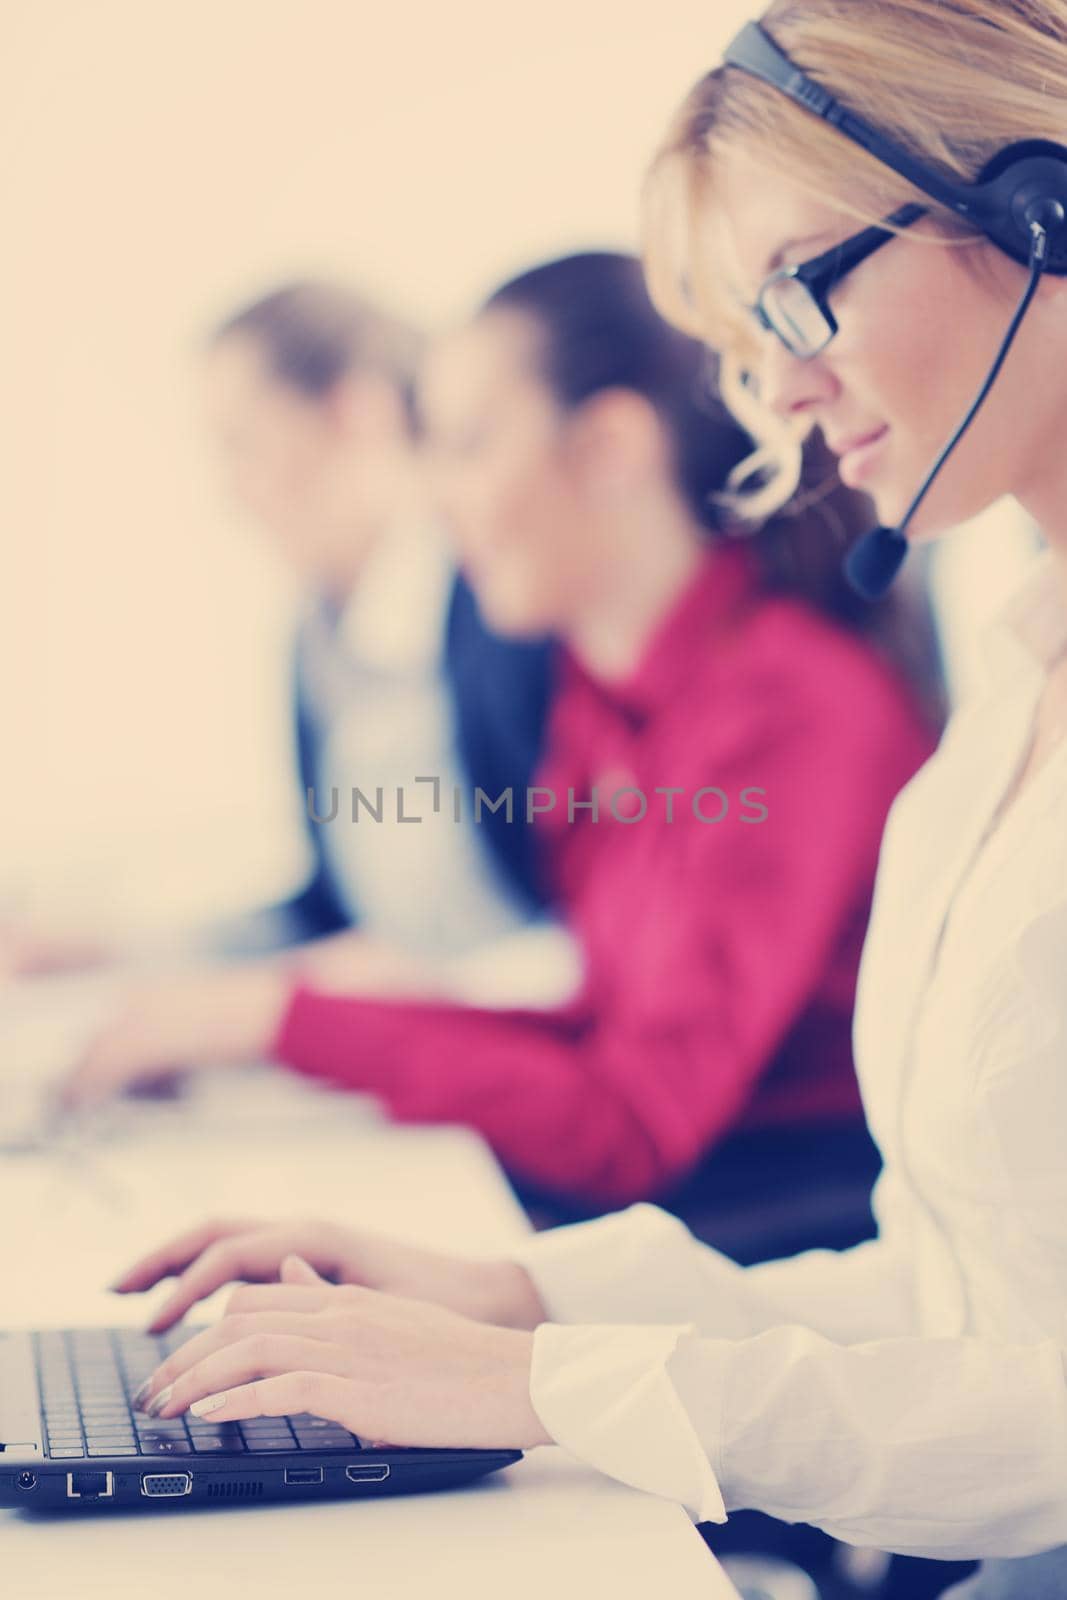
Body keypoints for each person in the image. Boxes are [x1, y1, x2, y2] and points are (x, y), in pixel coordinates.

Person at [106, 5, 1067, 1594]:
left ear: (1039, 213)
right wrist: (517, 1304)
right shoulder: (1005, 714)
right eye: (745, 333)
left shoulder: (819, 709)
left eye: (795, 291)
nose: (778, 390)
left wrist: (544, 1385)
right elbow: (967, 1295)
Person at [65, 253, 935, 1239]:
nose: (437, 502)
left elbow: (631, 1124)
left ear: (608, 445)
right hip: (688, 1209)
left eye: (469, 445)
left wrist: (282, 1019)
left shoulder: (791, 704)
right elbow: (597, 1030)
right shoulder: (605, 697)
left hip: (782, 1235)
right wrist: (271, 1019)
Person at [2, 280, 556, 981]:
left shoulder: (509, 604)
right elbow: (335, 919)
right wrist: (116, 947)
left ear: (358, 413)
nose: (230, 493)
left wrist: (394, 994)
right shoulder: (320, 643)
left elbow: (581, 926)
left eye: (243, 445)